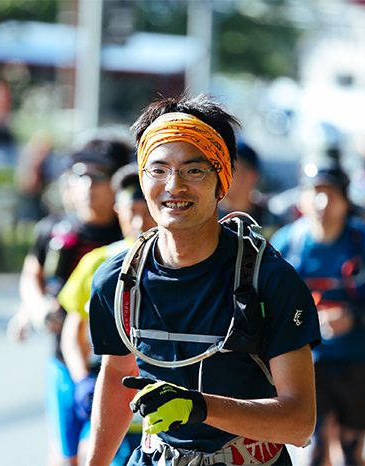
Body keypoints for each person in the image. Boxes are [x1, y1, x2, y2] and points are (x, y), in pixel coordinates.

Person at [86, 95, 321, 465]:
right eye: (158, 169)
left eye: (193, 171)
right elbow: (118, 376)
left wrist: (199, 407)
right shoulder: (116, 283)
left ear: (222, 180)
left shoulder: (269, 281)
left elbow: (299, 423)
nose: (174, 186)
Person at [7, 136, 130, 466]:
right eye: (81, 175)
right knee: (64, 455)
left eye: (100, 176)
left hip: (114, 367)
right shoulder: (54, 230)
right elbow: (31, 277)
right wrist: (34, 310)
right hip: (63, 361)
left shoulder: (129, 234)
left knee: (103, 452)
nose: (89, 186)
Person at [270, 162, 365, 466]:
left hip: (357, 361)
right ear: (302, 199)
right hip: (308, 363)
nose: (323, 203)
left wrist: (355, 317)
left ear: (345, 200)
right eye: (316, 193)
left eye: (331, 194)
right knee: (312, 451)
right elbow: (268, 304)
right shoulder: (287, 243)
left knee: (353, 451)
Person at [57, 163, 157, 464]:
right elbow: (72, 331)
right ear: (118, 211)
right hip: (110, 395)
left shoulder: (179, 262)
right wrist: (81, 380)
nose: (139, 221)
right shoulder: (97, 263)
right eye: (131, 212)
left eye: (145, 211)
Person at [218, 140, 280, 237]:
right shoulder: (206, 219)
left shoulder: (269, 221)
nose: (220, 176)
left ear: (250, 176)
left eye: (228, 170)